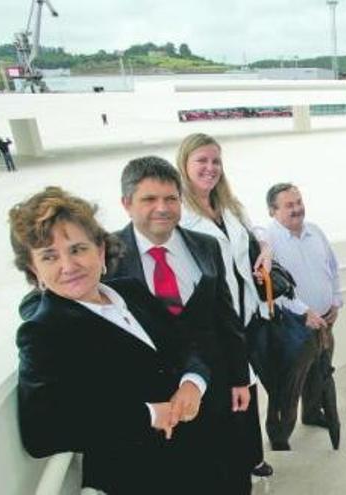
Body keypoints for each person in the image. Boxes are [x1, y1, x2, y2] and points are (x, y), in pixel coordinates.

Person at [10, 186, 215, 494]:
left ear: (101, 250)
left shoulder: (130, 291)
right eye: (49, 256)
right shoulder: (44, 332)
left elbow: (186, 344)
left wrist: (193, 382)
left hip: (195, 462)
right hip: (135, 477)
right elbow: (42, 431)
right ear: (33, 269)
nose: (68, 266)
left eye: (78, 249)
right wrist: (147, 414)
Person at [112, 156, 262, 491]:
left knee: (229, 474)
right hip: (157, 403)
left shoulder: (205, 246)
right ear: (126, 204)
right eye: (149, 199)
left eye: (171, 198)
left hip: (217, 387)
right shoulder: (107, 257)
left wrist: (240, 378)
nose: (162, 208)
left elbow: (226, 317)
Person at [174, 133, 273, 476]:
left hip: (247, 317)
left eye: (215, 161)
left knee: (248, 391)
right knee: (227, 395)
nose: (210, 168)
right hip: (214, 321)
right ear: (185, 165)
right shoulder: (181, 214)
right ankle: (236, 464)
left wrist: (265, 246)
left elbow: (252, 229)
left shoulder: (227, 204)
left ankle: (253, 457)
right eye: (201, 160)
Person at [253, 183, 341, 431]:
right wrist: (305, 312)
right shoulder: (267, 243)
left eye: (299, 202)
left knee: (318, 377)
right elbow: (271, 290)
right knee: (288, 386)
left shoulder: (315, 231)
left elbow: (332, 268)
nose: (297, 209)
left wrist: (335, 300)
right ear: (273, 211)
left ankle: (312, 414)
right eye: (289, 205)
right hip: (293, 327)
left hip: (325, 322)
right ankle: (280, 436)